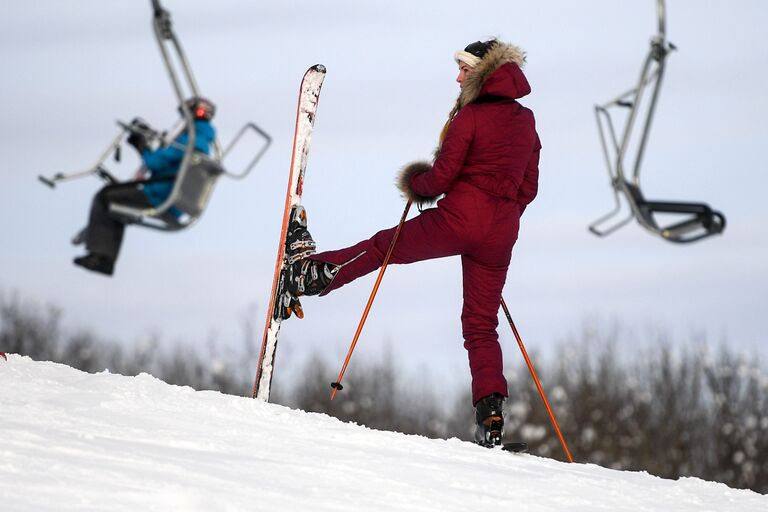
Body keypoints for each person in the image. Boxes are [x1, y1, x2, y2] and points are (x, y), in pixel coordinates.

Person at [284, 39, 541, 446]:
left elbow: (439, 179)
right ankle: (491, 419)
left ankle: (308, 276)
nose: (457, 77)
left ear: (485, 74)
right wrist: (498, 219)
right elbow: (529, 187)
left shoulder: (469, 117)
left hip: (460, 220)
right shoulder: (526, 121)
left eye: (464, 70)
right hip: (501, 233)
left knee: (384, 246)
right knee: (480, 323)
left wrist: (416, 183)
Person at [73, 97, 217, 276]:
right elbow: (167, 161)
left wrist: (142, 146)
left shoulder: (188, 141)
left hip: (160, 195)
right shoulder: (203, 144)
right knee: (118, 205)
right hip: (174, 200)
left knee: (105, 196)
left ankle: (101, 256)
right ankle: (103, 257)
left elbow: (155, 163)